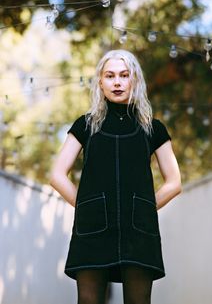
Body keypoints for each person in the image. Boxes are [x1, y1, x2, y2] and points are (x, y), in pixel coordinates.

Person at [50, 49, 181, 304]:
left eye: (124, 75)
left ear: (135, 80)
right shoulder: (86, 124)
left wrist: (144, 209)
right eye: (110, 76)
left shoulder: (153, 128)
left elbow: (174, 182)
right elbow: (57, 175)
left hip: (138, 231)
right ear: (100, 81)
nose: (117, 82)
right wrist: (87, 208)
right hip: (92, 230)